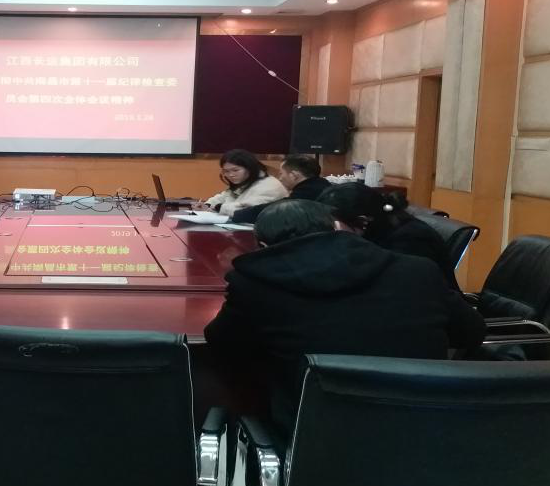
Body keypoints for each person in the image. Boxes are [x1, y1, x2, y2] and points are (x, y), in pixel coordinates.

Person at [203, 200, 485, 431]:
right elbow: (471, 332)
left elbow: (221, 343)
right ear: (335, 228)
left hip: (311, 435)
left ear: (263, 246)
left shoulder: (254, 284)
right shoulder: (418, 270)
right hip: (426, 425)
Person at [317, 182, 458, 289]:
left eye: (332, 224)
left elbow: (391, 287)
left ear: (362, 221)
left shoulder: (410, 241)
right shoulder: (380, 228)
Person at [230, 155, 331, 223]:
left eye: (281, 173)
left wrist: (239, 214)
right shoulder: (320, 185)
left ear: (294, 175)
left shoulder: (307, 193)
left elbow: (277, 210)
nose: (280, 178)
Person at [201, 149, 287, 216]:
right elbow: (224, 196)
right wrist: (207, 205)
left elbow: (246, 211)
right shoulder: (246, 181)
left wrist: (217, 207)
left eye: (235, 170)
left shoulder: (269, 186)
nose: (230, 175)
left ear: (249, 168)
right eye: (226, 171)